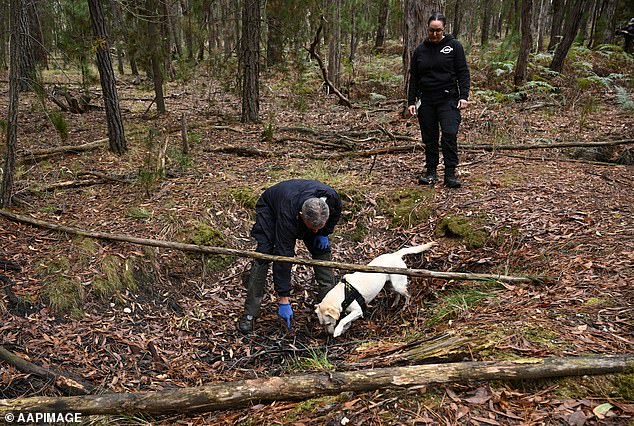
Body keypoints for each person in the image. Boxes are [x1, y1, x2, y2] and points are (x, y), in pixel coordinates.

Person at [237, 179, 342, 333]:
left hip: (306, 210)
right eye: (312, 228)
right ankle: (250, 313)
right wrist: (283, 299)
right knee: (264, 254)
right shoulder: (288, 216)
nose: (314, 231)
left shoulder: (331, 198)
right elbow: (283, 257)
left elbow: (335, 213)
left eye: (319, 226)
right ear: (301, 216)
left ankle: (329, 304)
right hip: (271, 207)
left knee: (321, 250)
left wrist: (325, 232)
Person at [407, 13, 470, 188]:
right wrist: (411, 101)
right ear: (427, 29)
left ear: (444, 29)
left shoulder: (454, 46)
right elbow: (414, 78)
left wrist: (464, 96)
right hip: (426, 99)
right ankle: (431, 172)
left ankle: (450, 173)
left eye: (438, 31)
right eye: (431, 31)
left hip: (448, 98)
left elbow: (463, 72)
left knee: (449, 133)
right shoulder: (420, 50)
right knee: (430, 137)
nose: (434, 34)